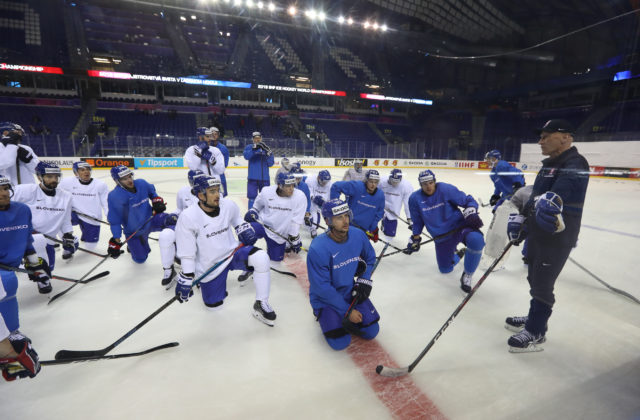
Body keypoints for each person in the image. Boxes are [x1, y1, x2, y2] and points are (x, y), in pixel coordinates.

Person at [505, 119, 589, 352]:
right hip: (538, 232)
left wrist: (547, 203)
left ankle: (536, 331)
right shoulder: (550, 163)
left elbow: (557, 195)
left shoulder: (575, 163)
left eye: (546, 136)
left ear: (565, 137)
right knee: (534, 278)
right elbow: (536, 195)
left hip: (557, 236)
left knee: (542, 283)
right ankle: (535, 316)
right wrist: (522, 217)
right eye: (540, 137)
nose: (540, 141)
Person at [174, 175, 276, 326]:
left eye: (218, 190)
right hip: (210, 265)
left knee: (261, 258)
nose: (218, 195)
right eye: (212, 191)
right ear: (200, 195)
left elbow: (237, 220)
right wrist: (187, 275)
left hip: (232, 253)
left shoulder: (227, 205)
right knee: (214, 307)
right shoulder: (188, 217)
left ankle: (261, 303)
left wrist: (243, 229)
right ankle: (206, 285)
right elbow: (187, 252)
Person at [307, 199, 379, 350]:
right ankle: (322, 312)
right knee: (340, 343)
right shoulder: (318, 248)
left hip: (350, 291)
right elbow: (321, 288)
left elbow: (371, 258)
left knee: (372, 331)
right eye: (339, 217)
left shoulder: (358, 235)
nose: (345, 221)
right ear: (327, 221)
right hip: (325, 299)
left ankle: (340, 317)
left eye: (346, 215)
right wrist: (347, 311)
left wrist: (364, 279)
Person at [404, 170, 485, 294]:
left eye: (431, 183)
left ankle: (467, 275)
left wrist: (471, 211)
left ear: (435, 182)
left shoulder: (446, 189)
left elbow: (468, 200)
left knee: (476, 240)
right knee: (445, 270)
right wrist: (415, 237)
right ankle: (457, 255)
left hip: (459, 228)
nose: (428, 186)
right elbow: (417, 221)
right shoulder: (415, 199)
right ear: (420, 185)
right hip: (441, 237)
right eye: (425, 184)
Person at [0, 174, 44, 381]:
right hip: (4, 272)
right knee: (7, 285)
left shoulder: (22, 210)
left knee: (8, 292)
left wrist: (34, 263)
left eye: (5, 188)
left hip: (10, 267)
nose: (3, 193)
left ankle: (12, 332)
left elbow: (27, 239)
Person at [13, 162, 78, 293]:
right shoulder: (27, 190)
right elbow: (6, 201)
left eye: (56, 176)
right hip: (29, 237)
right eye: (49, 176)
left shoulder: (66, 196)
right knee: (41, 270)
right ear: (39, 177)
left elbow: (65, 219)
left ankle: (36, 268)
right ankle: (40, 278)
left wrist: (68, 234)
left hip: (49, 238)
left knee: (49, 267)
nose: (54, 180)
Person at [107, 166, 176, 264]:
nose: (129, 180)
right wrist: (116, 240)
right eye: (124, 179)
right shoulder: (115, 196)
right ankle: (132, 247)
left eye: (129, 176)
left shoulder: (141, 183)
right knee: (140, 259)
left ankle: (178, 252)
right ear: (117, 181)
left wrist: (156, 200)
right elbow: (115, 221)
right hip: (135, 231)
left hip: (151, 220)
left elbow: (152, 192)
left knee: (173, 220)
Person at [243, 172, 306, 275]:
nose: (291, 188)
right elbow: (257, 206)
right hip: (262, 225)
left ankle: (262, 263)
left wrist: (294, 238)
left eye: (292, 185)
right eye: (288, 186)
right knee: (246, 233)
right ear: (280, 185)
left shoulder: (299, 197)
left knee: (275, 263)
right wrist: (253, 211)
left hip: (279, 235)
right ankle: (248, 262)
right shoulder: (267, 191)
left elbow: (296, 220)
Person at [157, 170, 205, 286]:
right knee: (165, 235)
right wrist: (173, 215)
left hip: (203, 229)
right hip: (184, 226)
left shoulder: (212, 193)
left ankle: (200, 271)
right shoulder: (183, 192)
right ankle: (168, 270)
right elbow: (179, 209)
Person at [59, 161, 109, 251]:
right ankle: (69, 242)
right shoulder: (66, 182)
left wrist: (109, 216)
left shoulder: (100, 185)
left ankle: (85, 236)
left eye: (88, 169)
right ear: (76, 173)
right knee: (59, 221)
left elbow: (106, 203)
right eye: (82, 170)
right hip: (74, 213)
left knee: (91, 246)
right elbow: (55, 194)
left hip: (91, 217)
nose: (86, 172)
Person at [330, 169, 385, 242]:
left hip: (363, 231)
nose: (373, 185)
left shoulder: (380, 195)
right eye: (371, 181)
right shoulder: (357, 187)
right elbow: (336, 186)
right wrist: (335, 205)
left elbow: (379, 212)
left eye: (375, 182)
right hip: (347, 227)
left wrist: (373, 228)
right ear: (366, 180)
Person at [378, 169, 413, 242]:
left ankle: (385, 224)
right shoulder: (381, 181)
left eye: (396, 182)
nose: (394, 183)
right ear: (389, 177)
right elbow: (374, 193)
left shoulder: (406, 186)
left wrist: (410, 218)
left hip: (393, 211)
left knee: (390, 234)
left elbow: (408, 203)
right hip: (380, 207)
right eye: (392, 181)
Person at [243, 131, 274, 209]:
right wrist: (254, 150)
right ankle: (251, 214)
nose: (257, 140)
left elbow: (271, 163)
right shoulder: (249, 147)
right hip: (252, 178)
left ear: (261, 138)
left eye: (259, 138)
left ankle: (265, 215)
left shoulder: (266, 148)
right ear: (253, 139)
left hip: (265, 179)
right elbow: (246, 156)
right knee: (252, 198)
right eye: (255, 138)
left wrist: (267, 153)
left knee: (266, 198)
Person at [304, 170, 332, 238]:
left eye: (326, 182)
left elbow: (329, 197)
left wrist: (325, 202)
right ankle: (312, 228)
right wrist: (313, 198)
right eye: (323, 181)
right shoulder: (310, 180)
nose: (324, 183)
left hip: (322, 202)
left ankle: (331, 228)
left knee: (328, 216)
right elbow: (308, 192)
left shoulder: (330, 184)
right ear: (318, 178)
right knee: (312, 220)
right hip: (312, 202)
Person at [209, 126, 230, 197]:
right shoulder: (205, 147)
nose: (213, 135)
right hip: (207, 175)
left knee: (222, 196)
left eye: (215, 134)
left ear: (218, 135)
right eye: (211, 134)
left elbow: (225, 164)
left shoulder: (223, 148)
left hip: (220, 176)